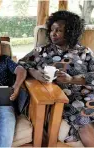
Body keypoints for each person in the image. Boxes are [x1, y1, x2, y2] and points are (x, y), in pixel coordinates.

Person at [19, 10, 94, 146]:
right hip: (67, 99)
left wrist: (72, 79)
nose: (53, 33)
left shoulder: (85, 52)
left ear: (70, 32)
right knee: (83, 118)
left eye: (58, 30)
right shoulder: (41, 51)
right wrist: (34, 73)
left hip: (90, 94)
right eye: (52, 30)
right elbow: (20, 64)